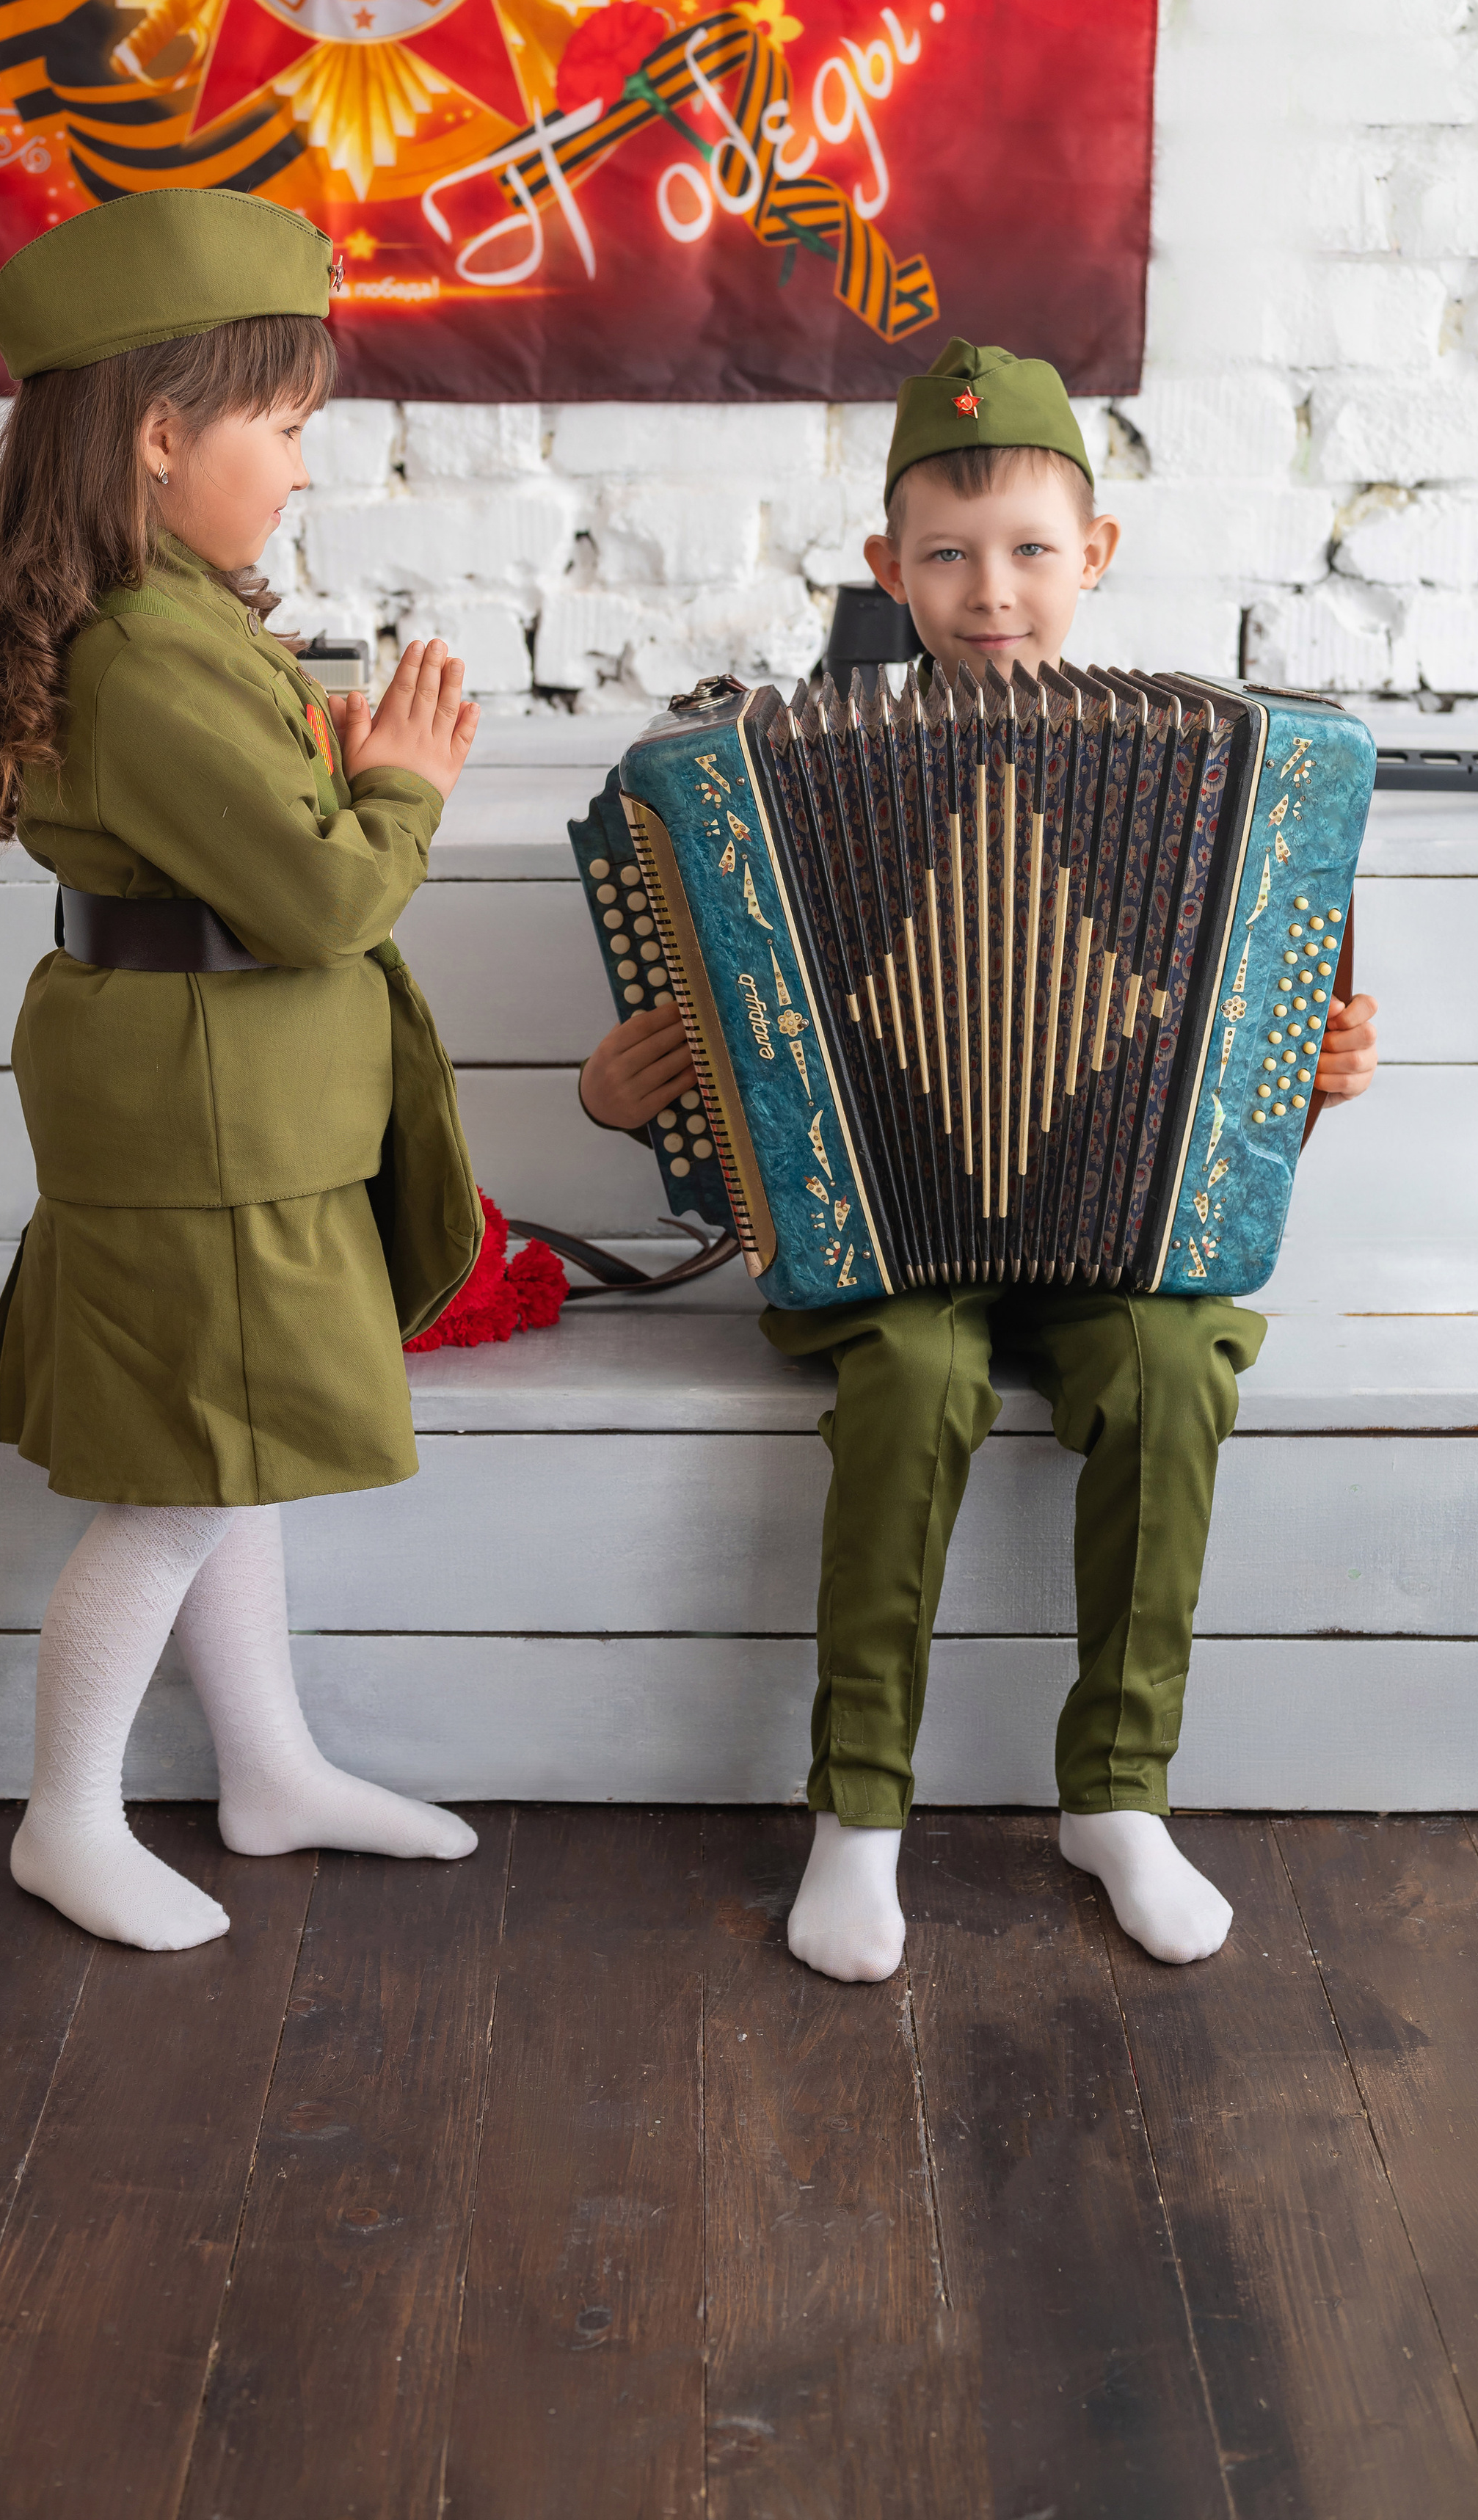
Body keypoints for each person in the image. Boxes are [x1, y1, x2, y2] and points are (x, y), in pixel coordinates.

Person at [580, 338, 1380, 1978]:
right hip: (885, 1245)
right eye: (946, 555)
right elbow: (724, 1047)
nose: (990, 590)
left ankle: (1118, 1795)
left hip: (1119, 1236)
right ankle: (858, 1814)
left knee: (1172, 1370)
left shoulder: (1207, 778)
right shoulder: (772, 775)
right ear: (889, 569)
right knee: (919, 1378)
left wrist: (1312, 1065)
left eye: (1027, 550)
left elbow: (1239, 1068)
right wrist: (633, 1095)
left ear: (1094, 553)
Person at [0, 189, 485, 1952]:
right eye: (284, 425)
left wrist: (328, 765)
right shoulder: (146, 654)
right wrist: (398, 786)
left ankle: (265, 1770)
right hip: (203, 1130)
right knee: (181, 1486)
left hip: (232, 1113)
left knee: (225, 1453)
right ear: (162, 437)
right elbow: (322, 897)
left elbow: (249, 841)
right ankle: (65, 1819)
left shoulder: (175, 616)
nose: (304, 467)